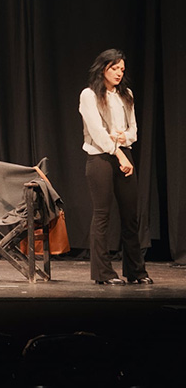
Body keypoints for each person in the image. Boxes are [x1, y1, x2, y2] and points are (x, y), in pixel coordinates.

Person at [78, 49, 153, 285]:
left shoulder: (126, 94)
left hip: (123, 153)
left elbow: (133, 130)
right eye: (114, 68)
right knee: (102, 215)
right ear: (103, 69)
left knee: (130, 216)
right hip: (100, 157)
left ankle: (136, 271)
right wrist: (118, 152)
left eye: (122, 69)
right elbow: (97, 132)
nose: (119, 73)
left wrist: (123, 138)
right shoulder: (89, 95)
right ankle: (103, 273)